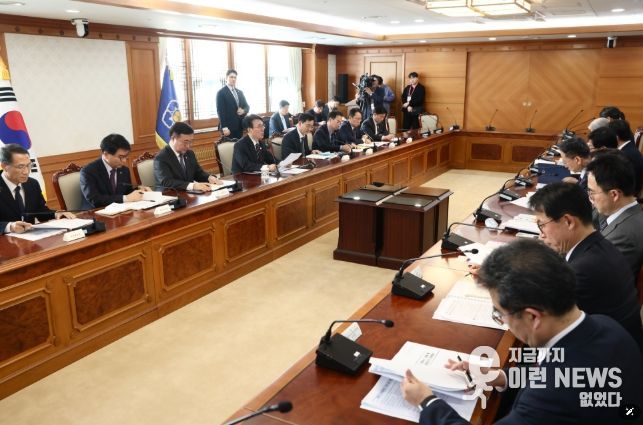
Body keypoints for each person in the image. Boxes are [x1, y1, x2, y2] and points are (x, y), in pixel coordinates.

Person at [402, 238, 643, 424]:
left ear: (532, 317)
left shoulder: (551, 397)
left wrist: (427, 402)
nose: (503, 322)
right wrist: (498, 376)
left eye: (501, 314)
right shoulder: (606, 325)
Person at [528, 182, 643, 350]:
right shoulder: (600, 244)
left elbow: (538, 323)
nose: (541, 234)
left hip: (605, 358)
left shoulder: (582, 270)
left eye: (542, 225)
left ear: (568, 221)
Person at [586, 152, 643, 279]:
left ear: (614, 195)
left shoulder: (623, 237)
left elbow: (593, 277)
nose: (590, 198)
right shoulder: (620, 212)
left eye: (592, 192)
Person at [1, 144, 75, 234]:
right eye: (20, 167)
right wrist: (10, 227)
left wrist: (56, 214)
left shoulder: (32, 183)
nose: (26, 171)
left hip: (30, 236)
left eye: (28, 165)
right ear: (4, 166)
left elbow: (41, 211)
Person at [80, 134, 151, 209]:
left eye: (126, 156)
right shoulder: (88, 172)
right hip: (95, 212)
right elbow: (95, 199)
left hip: (120, 211)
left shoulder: (124, 170)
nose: (124, 161)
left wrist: (139, 190)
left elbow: (127, 192)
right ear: (106, 154)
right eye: (121, 157)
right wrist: (126, 198)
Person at [153, 122, 221, 191]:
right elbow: (167, 182)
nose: (188, 146)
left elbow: (197, 173)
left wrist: (209, 178)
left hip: (188, 194)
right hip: (168, 195)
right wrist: (193, 185)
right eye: (185, 142)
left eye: (190, 142)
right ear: (173, 139)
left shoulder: (190, 153)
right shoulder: (161, 158)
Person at [215, 69, 250, 139]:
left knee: (239, 145)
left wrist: (243, 111)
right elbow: (220, 111)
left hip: (240, 126)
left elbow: (247, 106)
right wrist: (224, 127)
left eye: (235, 77)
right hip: (228, 128)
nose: (233, 79)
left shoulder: (240, 92)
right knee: (229, 146)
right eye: (231, 77)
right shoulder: (221, 92)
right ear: (226, 78)